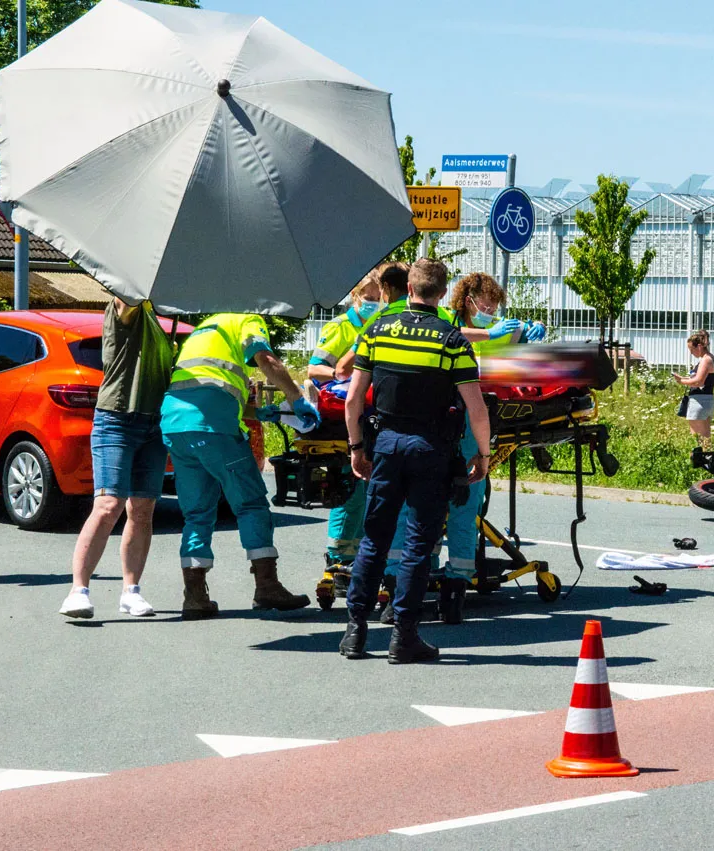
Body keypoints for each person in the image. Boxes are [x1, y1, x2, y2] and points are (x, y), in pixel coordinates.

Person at [339, 259, 491, 664]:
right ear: (443, 294)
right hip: (431, 449)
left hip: (386, 445)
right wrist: (484, 454)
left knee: (374, 539)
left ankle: (355, 632)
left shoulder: (376, 331)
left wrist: (357, 448)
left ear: (408, 287)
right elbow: (476, 408)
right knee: (418, 546)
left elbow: (353, 400)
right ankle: (404, 636)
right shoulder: (452, 339)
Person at [380, 271, 536, 626]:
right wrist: (482, 453)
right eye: (486, 306)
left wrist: (520, 342)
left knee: (430, 513)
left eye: (495, 309)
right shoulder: (447, 325)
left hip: (428, 432)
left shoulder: (405, 327)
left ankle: (421, 593)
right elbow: (474, 391)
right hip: (460, 431)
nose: (490, 313)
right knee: (444, 513)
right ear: (465, 299)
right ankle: (437, 592)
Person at [161, 313, 320, 619]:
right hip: (213, 426)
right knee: (250, 504)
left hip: (176, 424)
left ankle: (194, 596)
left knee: (196, 512)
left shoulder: (209, 326)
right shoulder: (248, 320)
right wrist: (296, 398)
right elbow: (265, 359)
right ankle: (267, 586)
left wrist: (258, 413)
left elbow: (203, 388)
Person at [59, 298, 174, 619]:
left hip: (154, 422)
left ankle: (131, 593)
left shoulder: (154, 314)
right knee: (108, 505)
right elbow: (129, 293)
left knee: (143, 510)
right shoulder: (125, 303)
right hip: (117, 420)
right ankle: (77, 592)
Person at [307, 271, 385, 593]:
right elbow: (315, 369)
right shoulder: (341, 327)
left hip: (370, 416)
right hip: (341, 417)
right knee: (348, 494)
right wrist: (347, 371)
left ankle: (356, 562)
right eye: (368, 297)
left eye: (378, 298)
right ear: (355, 297)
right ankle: (337, 560)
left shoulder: (381, 323)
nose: (374, 303)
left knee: (367, 496)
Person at [673, 330, 714, 449]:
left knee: (696, 438)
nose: (691, 353)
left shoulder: (706, 360)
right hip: (706, 400)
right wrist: (684, 378)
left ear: (699, 346)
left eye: (691, 350)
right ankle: (707, 458)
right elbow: (701, 378)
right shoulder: (709, 358)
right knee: (705, 438)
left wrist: (681, 381)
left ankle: (699, 460)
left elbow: (699, 381)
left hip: (699, 401)